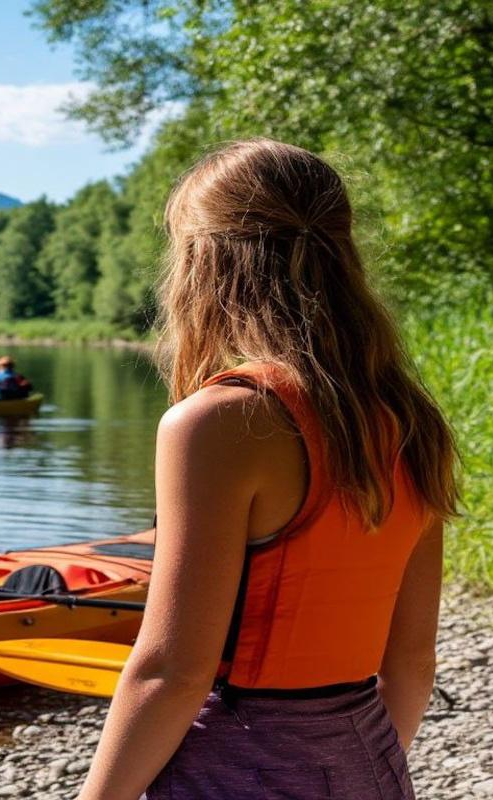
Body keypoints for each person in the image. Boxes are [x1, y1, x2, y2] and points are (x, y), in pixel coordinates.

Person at [77, 139, 457, 800]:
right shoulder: (410, 419)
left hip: (236, 763)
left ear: (205, 263)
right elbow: (412, 664)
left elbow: (174, 671)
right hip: (367, 753)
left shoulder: (220, 423)